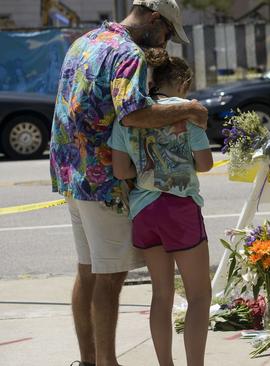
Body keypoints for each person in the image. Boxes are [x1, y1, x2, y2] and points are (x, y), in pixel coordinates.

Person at [48, 1, 207, 365]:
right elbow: (134, 113)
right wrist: (189, 109)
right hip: (103, 180)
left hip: (71, 175)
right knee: (109, 276)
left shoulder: (85, 41)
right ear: (154, 19)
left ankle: (90, 360)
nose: (165, 43)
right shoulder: (127, 52)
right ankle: (107, 363)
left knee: (88, 270)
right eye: (166, 32)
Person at [109, 50, 213, 366]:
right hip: (179, 209)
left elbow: (121, 170)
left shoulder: (129, 116)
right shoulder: (187, 114)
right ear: (182, 82)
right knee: (198, 296)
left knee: (161, 295)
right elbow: (205, 163)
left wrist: (148, 169)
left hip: (144, 211)